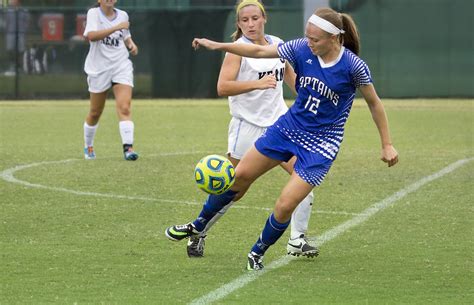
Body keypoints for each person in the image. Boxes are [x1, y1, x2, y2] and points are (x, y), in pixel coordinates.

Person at [166, 6, 399, 270]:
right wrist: (218, 46)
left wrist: (387, 144)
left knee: (286, 203)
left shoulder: (353, 67)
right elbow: (258, 51)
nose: (308, 42)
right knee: (239, 177)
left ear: (333, 38)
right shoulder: (301, 48)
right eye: (307, 37)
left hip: (321, 145)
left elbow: (374, 103)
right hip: (287, 128)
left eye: (315, 39)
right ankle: (197, 226)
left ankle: (259, 251)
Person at [186, 0, 318, 259]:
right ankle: (199, 232)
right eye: (244, 20)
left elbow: (290, 76)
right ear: (238, 24)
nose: (250, 24)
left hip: (280, 127)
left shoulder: (277, 43)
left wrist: (310, 100)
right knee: (233, 190)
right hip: (246, 128)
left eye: (255, 18)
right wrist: (256, 85)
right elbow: (223, 87)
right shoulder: (237, 50)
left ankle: (297, 240)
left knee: (304, 179)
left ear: (264, 18)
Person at [82, 0, 139, 161]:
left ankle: (128, 148)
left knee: (125, 107)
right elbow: (91, 36)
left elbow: (125, 36)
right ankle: (89, 145)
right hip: (99, 69)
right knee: (95, 112)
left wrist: (131, 45)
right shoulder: (93, 14)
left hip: (121, 65)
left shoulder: (122, 15)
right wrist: (116, 27)